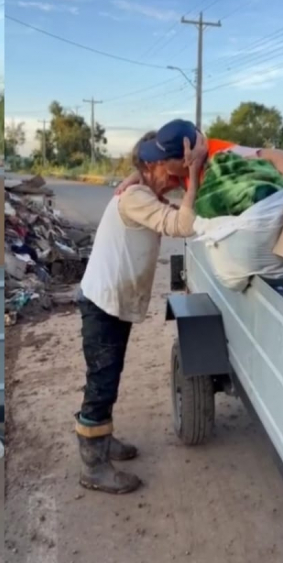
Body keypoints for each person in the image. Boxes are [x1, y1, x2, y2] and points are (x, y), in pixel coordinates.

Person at [74, 122, 207, 494]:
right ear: (151, 166)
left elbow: (160, 180)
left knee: (108, 376)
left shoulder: (142, 188)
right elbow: (181, 225)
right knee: (101, 382)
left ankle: (102, 438)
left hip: (111, 302)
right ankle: (93, 464)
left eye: (179, 177)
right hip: (103, 304)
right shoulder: (136, 197)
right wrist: (194, 179)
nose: (175, 183)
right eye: (172, 175)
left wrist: (174, 170)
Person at [114, 120, 283, 210]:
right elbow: (157, 181)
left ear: (184, 159)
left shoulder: (223, 156)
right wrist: (133, 178)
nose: (160, 165)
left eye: (163, 161)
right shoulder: (182, 170)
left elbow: (278, 155)